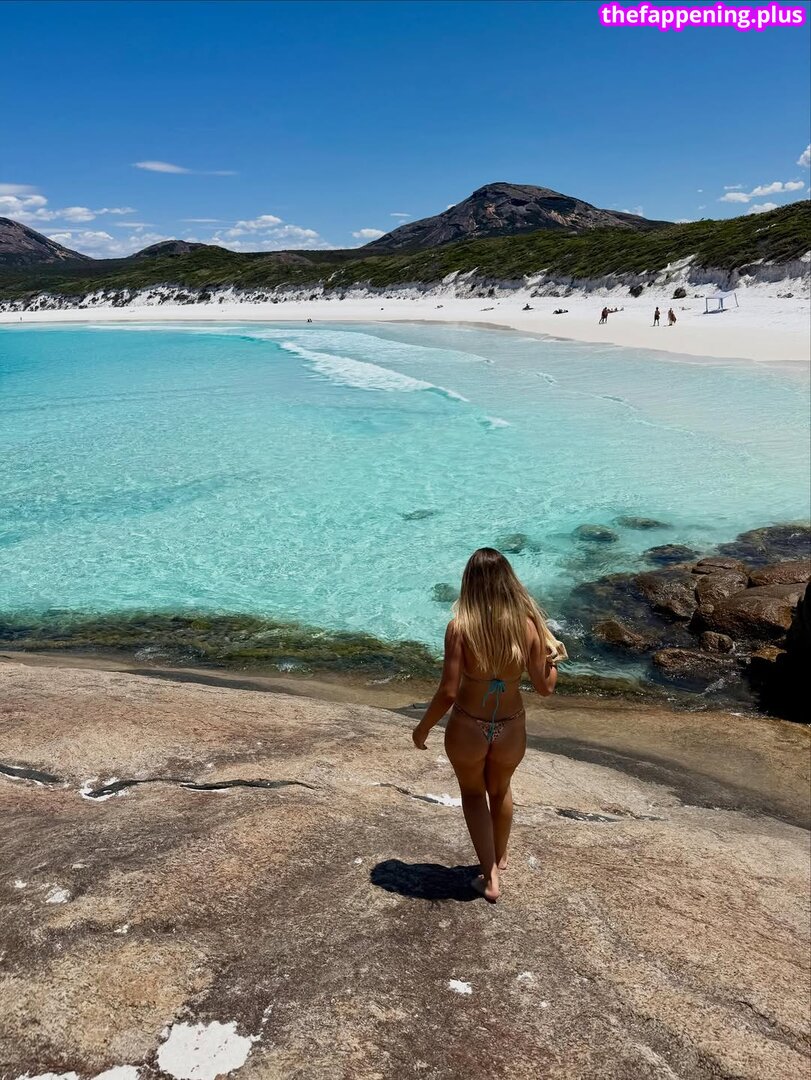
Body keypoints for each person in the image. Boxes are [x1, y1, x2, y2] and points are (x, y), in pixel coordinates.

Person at [411, 548, 566, 902]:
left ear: (469, 583)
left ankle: (490, 878)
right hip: (510, 725)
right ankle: (499, 856)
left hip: (468, 725)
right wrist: (553, 660)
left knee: (472, 794)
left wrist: (423, 728)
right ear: (508, 582)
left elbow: (448, 692)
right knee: (500, 789)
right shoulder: (527, 626)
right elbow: (545, 688)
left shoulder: (459, 628)